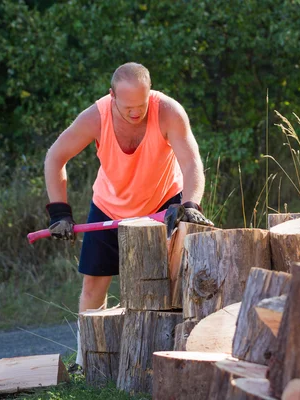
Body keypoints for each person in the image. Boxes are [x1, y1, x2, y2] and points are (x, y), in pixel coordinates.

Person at [43, 62, 213, 369]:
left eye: (141, 105)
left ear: (150, 93)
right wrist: (59, 211)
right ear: (112, 96)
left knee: (172, 283)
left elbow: (191, 164)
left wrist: (191, 205)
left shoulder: (168, 112)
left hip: (164, 206)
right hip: (108, 207)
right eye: (128, 107)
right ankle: (86, 359)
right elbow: (55, 157)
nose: (136, 113)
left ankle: (178, 352)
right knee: (94, 286)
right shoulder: (96, 116)